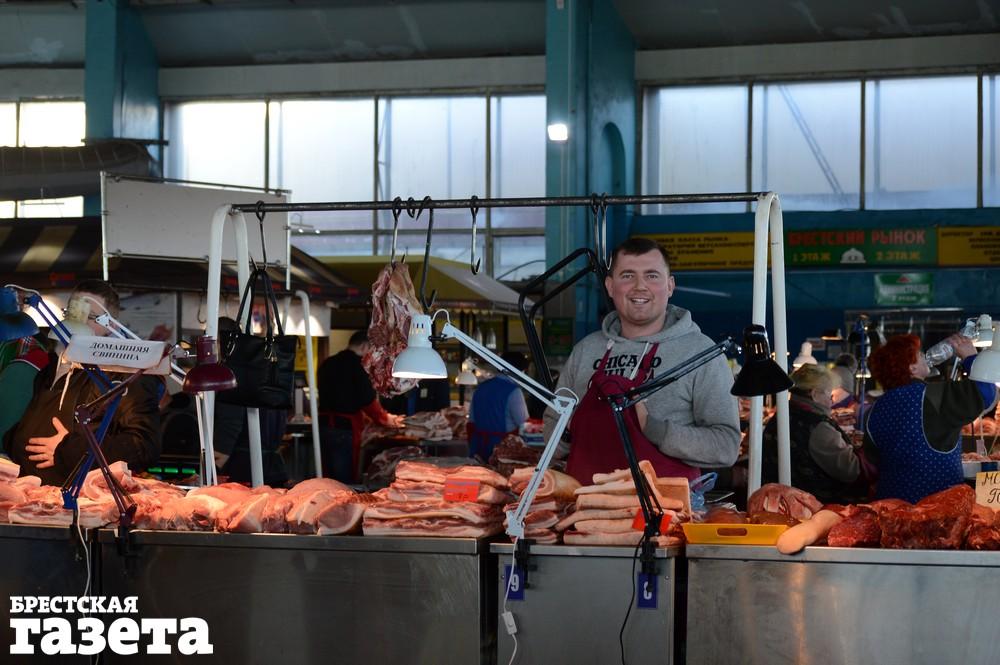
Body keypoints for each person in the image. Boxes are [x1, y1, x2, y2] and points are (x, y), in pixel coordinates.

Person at [544, 237, 740, 485]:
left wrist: (652, 428)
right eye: (627, 276)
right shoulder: (585, 351)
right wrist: (570, 428)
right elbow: (551, 430)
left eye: (652, 275)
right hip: (587, 503)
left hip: (666, 506)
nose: (640, 286)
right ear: (610, 286)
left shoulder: (700, 352)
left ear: (670, 286)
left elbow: (726, 446)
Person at [3, 280, 162, 485]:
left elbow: (144, 446)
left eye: (90, 316)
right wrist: (14, 442)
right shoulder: (52, 367)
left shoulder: (125, 374)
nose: (78, 322)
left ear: (111, 325)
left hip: (80, 497)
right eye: (72, 312)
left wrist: (68, 449)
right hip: (32, 491)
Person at [864, 333, 997, 503]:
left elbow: (872, 458)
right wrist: (971, 358)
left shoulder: (875, 409)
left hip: (889, 506)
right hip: (936, 508)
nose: (924, 356)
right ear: (912, 368)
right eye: (919, 354)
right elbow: (985, 394)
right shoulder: (935, 396)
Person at [762, 364, 868, 504]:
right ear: (815, 394)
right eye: (829, 394)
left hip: (779, 500)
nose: (832, 400)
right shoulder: (819, 427)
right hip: (816, 506)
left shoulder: (781, 415)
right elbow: (851, 470)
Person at [317, 330, 403, 483]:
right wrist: (384, 418)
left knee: (327, 473)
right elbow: (367, 400)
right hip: (345, 428)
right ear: (364, 346)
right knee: (344, 478)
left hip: (323, 426)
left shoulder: (327, 363)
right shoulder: (359, 366)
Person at [467, 351, 531, 460]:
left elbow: (471, 420)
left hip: (479, 447)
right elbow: (523, 423)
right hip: (503, 450)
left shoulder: (481, 388)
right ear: (520, 371)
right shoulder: (514, 391)